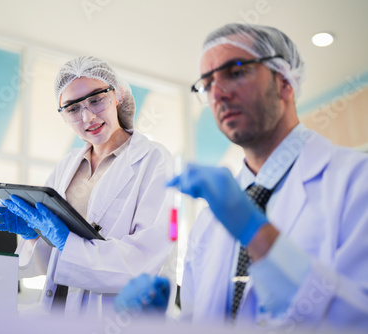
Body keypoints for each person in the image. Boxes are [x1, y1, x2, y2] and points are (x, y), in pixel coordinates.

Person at [114, 23, 368, 330]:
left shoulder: (356, 182)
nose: (217, 94)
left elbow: (358, 319)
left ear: (285, 82)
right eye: (207, 84)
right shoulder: (208, 223)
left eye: (235, 71)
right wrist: (157, 325)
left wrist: (256, 234)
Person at [0, 55, 175, 317]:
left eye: (96, 100)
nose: (87, 117)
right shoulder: (66, 167)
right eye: (73, 108)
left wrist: (67, 242)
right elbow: (49, 261)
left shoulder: (154, 160)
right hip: (59, 312)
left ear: (117, 95)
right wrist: (33, 235)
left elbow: (147, 256)